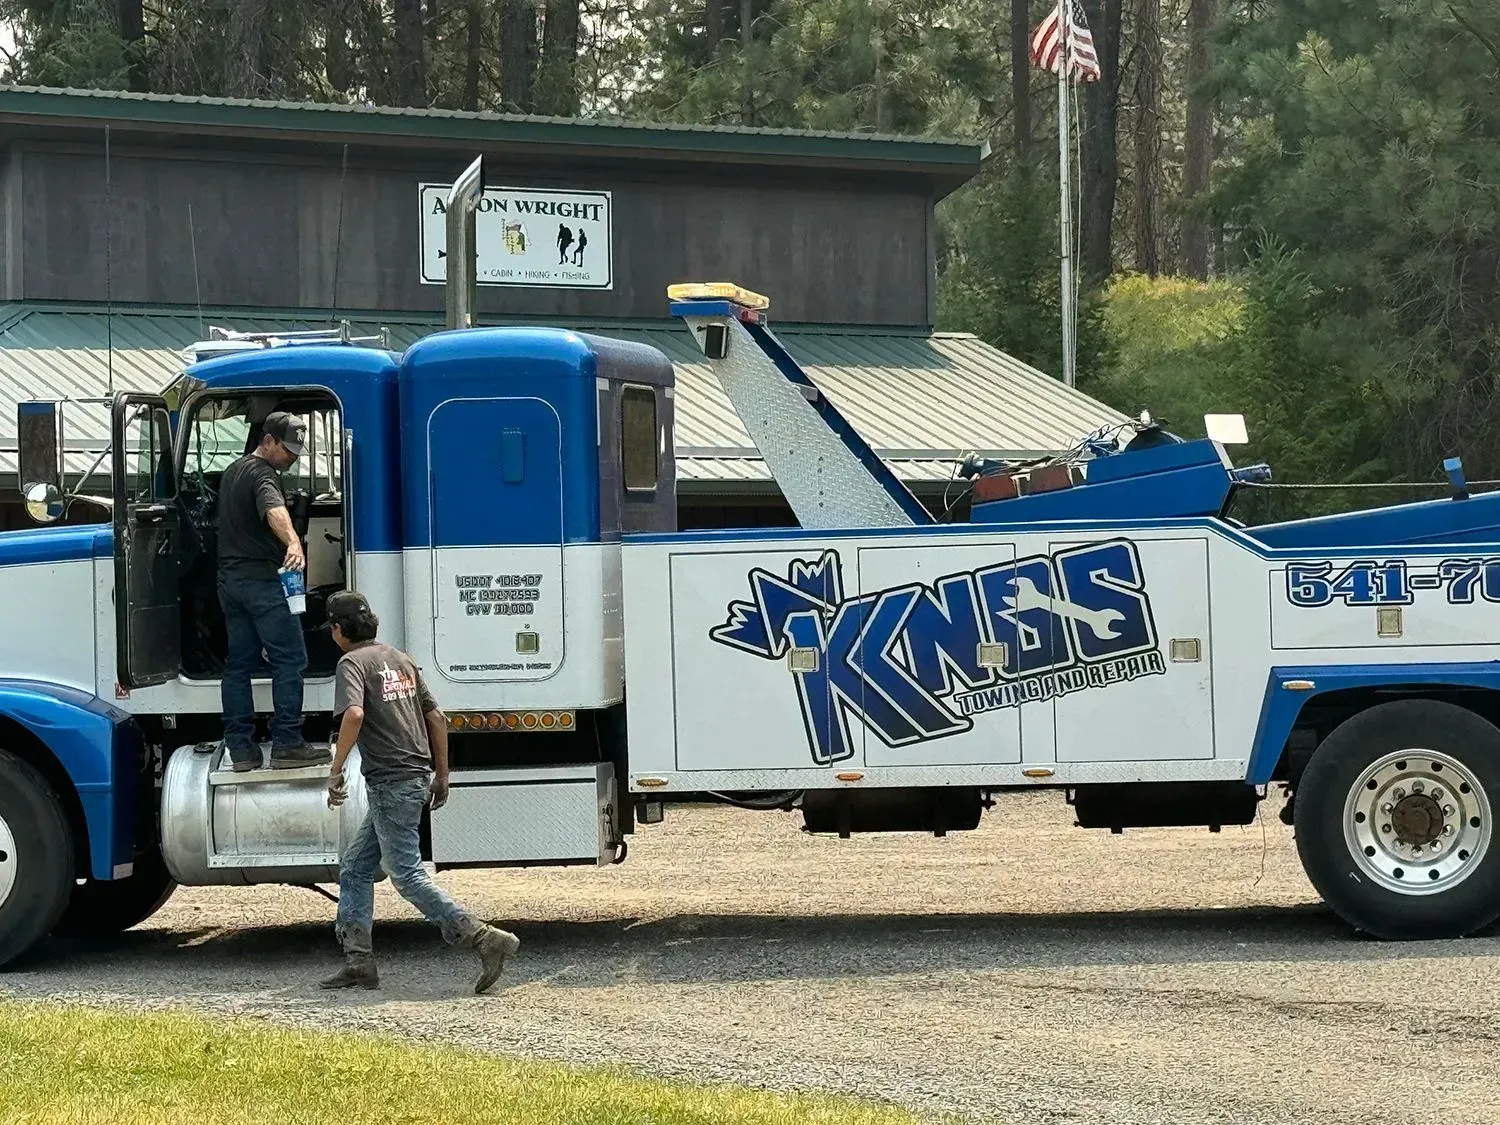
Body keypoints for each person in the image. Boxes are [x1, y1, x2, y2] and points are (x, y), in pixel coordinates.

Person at [320, 590, 521, 994]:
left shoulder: (351, 663)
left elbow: (355, 713)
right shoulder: (400, 659)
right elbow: (437, 716)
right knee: (356, 867)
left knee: (407, 875)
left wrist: (336, 767)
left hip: (391, 782)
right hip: (412, 777)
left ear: (339, 630)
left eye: (332, 628)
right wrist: (442, 774)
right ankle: (359, 962)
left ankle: (482, 937)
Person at [216, 410, 326, 771]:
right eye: (288, 449)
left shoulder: (234, 471)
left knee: (238, 666)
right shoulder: (264, 475)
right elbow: (274, 510)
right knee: (291, 659)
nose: (293, 457)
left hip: (230, 581)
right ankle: (288, 743)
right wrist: (294, 542)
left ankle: (242, 750)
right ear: (268, 441)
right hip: (262, 581)